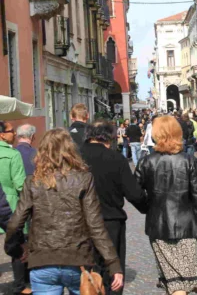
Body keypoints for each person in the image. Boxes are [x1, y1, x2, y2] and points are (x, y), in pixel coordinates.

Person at [6, 128, 123, 295]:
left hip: (43, 260)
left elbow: (15, 223)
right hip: (78, 259)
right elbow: (95, 225)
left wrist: (15, 249)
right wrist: (113, 263)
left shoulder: (33, 182)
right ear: (70, 150)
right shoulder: (83, 179)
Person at [135, 116, 197, 295]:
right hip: (187, 226)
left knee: (174, 283)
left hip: (159, 226)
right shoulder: (189, 160)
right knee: (184, 282)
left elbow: (134, 193)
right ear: (177, 133)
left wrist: (148, 207)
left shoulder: (146, 162)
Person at [81, 121, 147, 294]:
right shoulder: (115, 158)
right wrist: (148, 207)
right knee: (113, 272)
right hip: (110, 222)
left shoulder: (75, 157)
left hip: (82, 222)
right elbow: (134, 193)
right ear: (108, 138)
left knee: (86, 274)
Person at [0, 121, 29, 295]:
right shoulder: (13, 154)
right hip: (9, 205)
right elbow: (20, 184)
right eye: (11, 131)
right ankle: (20, 285)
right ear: (2, 134)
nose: (15, 135)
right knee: (18, 244)